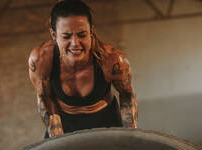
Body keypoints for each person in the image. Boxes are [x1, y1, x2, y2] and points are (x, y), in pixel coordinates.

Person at [28, 0, 138, 138]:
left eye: (82, 35)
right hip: (64, 124)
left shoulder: (112, 60)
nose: (75, 43)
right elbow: (45, 97)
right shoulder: (41, 59)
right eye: (66, 36)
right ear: (54, 35)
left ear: (91, 31)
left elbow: (126, 94)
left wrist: (130, 132)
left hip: (105, 121)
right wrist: (57, 138)